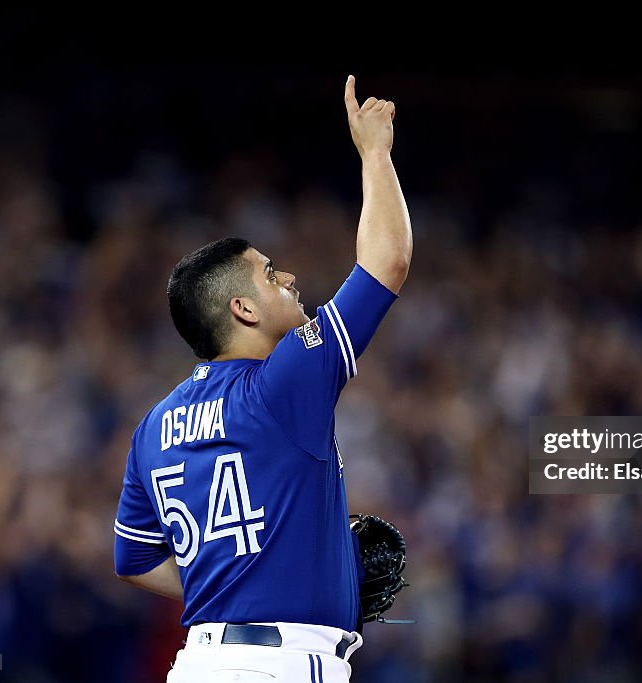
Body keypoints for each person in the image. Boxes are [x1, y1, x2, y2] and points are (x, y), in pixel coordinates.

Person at [112, 74, 411, 682]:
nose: (290, 279)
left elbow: (136, 560)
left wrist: (238, 584)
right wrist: (375, 152)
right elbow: (388, 261)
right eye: (271, 275)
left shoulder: (154, 426)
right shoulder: (282, 382)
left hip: (197, 663)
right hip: (282, 667)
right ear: (242, 310)